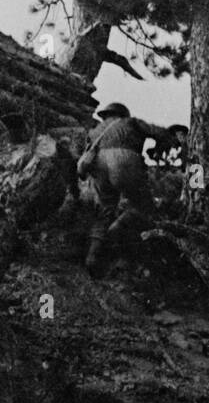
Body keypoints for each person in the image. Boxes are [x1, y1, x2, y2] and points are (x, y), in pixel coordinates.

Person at [77, 102, 179, 277]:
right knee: (142, 206)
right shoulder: (130, 122)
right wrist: (161, 148)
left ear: (106, 115)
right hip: (124, 160)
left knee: (104, 211)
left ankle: (92, 258)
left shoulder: (95, 130)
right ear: (122, 114)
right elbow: (160, 133)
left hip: (98, 164)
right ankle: (119, 237)